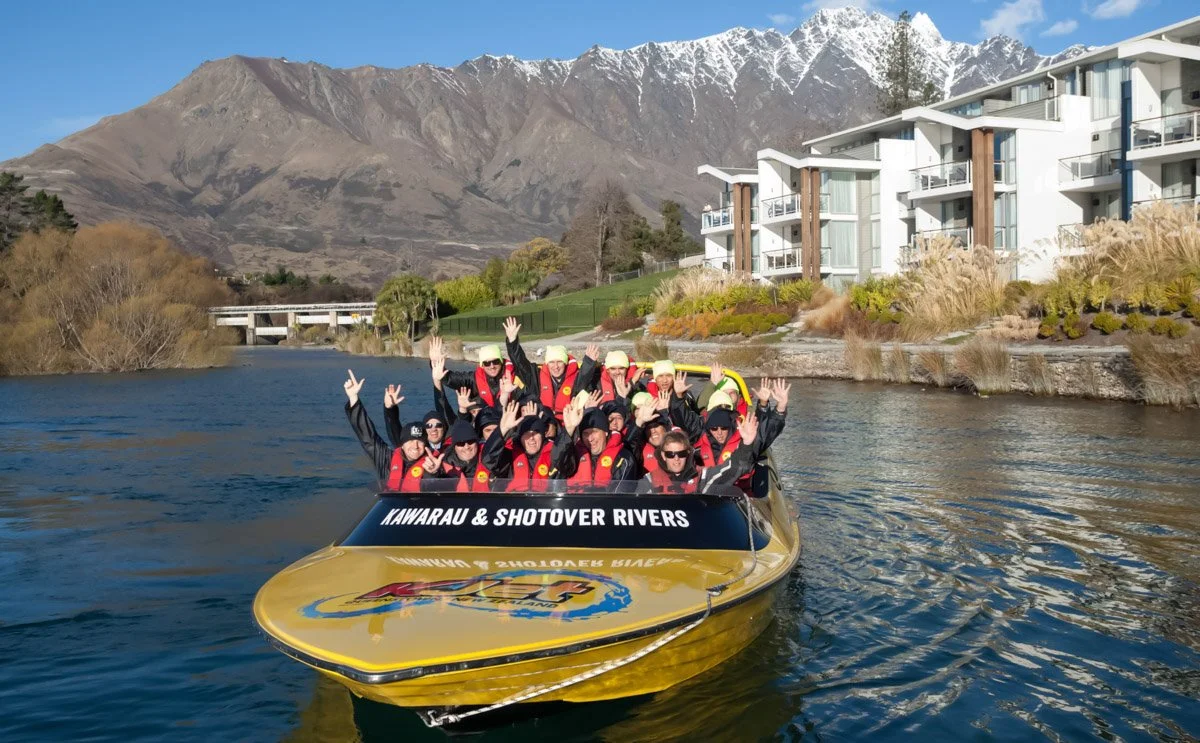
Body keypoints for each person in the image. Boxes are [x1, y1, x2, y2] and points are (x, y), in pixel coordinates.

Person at [342, 370, 440, 491]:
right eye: (410, 441)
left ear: (426, 445)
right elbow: (367, 436)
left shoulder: (434, 462)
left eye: (420, 442)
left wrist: (433, 473)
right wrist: (353, 398)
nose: (415, 446)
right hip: (391, 506)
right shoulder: (386, 459)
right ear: (402, 444)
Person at [640, 412, 760, 494]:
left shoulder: (703, 476)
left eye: (681, 454)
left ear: (688, 453)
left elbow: (734, 468)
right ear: (663, 456)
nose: (676, 459)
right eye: (670, 454)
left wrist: (747, 443)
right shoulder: (650, 480)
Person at [504, 317, 597, 417]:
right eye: (552, 362)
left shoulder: (576, 378)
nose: (556, 367)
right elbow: (520, 364)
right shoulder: (536, 377)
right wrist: (513, 342)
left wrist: (589, 362)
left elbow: (585, 376)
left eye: (559, 362)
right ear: (547, 364)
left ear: (566, 363)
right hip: (544, 423)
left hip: (568, 422)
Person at [551, 398, 636, 488]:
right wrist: (569, 429)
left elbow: (621, 495)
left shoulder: (622, 458)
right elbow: (558, 461)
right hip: (574, 501)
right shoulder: (574, 455)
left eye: (594, 432)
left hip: (606, 501)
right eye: (585, 434)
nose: (590, 438)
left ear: (606, 432)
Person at [482, 400, 556, 491]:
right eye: (526, 434)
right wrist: (503, 430)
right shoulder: (510, 457)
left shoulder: (555, 454)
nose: (531, 438)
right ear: (520, 437)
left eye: (536, 433)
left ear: (543, 435)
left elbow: (568, 461)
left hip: (545, 503)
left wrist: (570, 429)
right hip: (515, 503)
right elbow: (488, 460)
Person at [427, 336, 512, 410]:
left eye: (496, 361)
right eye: (487, 363)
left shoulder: (513, 376)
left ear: (501, 361)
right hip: (486, 423)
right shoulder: (473, 379)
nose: (492, 366)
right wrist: (434, 362)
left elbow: (524, 367)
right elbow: (450, 378)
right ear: (481, 365)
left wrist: (513, 341)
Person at [439, 419, 492, 492]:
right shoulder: (443, 466)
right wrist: (433, 474)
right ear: (454, 447)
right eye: (461, 443)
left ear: (477, 442)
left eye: (470, 441)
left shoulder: (490, 460)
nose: (466, 447)